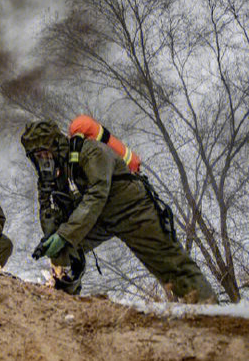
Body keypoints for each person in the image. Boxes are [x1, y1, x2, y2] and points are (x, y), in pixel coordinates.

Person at [21, 120, 217, 303]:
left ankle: (209, 309)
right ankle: (64, 300)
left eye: (44, 153)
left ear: (55, 145)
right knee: (63, 250)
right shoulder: (54, 174)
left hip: (134, 212)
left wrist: (64, 235)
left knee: (172, 266)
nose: (42, 160)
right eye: (36, 157)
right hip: (101, 219)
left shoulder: (91, 151)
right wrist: (51, 233)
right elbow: (51, 214)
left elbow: (97, 195)